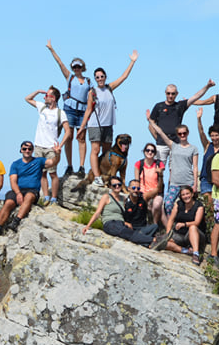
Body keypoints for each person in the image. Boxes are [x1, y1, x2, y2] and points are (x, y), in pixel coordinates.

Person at [84, 51, 138, 181]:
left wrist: (132, 62)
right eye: (97, 77)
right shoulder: (93, 92)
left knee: (107, 153)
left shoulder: (109, 88)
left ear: (105, 77)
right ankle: (96, 176)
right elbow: (88, 110)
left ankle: (105, 175)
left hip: (108, 125)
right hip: (95, 125)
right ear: (95, 79)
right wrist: (82, 127)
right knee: (95, 150)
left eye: (102, 76)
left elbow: (123, 77)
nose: (100, 79)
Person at [46, 41, 93, 177]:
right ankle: (69, 165)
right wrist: (51, 49)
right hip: (70, 109)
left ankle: (82, 166)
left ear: (82, 67)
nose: (77, 69)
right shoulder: (70, 77)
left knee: (82, 138)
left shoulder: (89, 81)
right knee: (69, 136)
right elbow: (60, 63)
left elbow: (92, 97)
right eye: (75, 67)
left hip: (83, 110)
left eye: (79, 66)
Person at [148, 107, 204, 219]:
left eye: (184, 133)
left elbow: (195, 167)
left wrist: (195, 185)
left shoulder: (193, 149)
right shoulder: (173, 146)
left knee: (188, 206)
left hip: (187, 182)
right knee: (168, 204)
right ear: (177, 135)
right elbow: (161, 133)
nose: (182, 135)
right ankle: (171, 225)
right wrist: (150, 121)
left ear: (187, 133)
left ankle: (186, 226)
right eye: (180, 134)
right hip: (174, 182)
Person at [81, 175, 157, 246]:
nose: (117, 186)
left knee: (132, 232)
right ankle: (154, 240)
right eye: (114, 185)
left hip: (121, 224)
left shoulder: (123, 199)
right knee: (128, 233)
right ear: (110, 187)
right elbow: (97, 213)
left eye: (119, 184)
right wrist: (88, 226)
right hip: (111, 223)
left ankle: (147, 244)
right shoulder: (106, 197)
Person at [24, 88, 66, 200]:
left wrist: (60, 145)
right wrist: (37, 91)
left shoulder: (60, 113)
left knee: (52, 173)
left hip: (51, 147)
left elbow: (68, 131)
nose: (44, 97)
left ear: (53, 98)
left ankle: (54, 197)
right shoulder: (42, 107)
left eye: (47, 95)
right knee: (42, 173)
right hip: (39, 145)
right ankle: (46, 196)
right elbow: (27, 98)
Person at [5, 141, 45, 229]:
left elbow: (52, 162)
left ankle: (16, 221)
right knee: (8, 203)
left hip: (32, 190)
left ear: (32, 150)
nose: (27, 151)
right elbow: (13, 181)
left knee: (29, 196)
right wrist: (18, 194)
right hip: (18, 190)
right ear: (21, 150)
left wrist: (57, 155)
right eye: (24, 149)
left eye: (29, 149)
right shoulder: (15, 164)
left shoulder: (39, 161)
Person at [164, 185, 207, 263]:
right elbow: (171, 219)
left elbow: (197, 222)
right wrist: (168, 234)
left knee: (192, 227)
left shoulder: (199, 205)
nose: (185, 196)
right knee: (162, 242)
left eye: (187, 194)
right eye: (183, 195)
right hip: (180, 235)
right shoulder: (178, 204)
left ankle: (195, 254)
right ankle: (185, 250)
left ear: (192, 194)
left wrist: (184, 224)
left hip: (195, 234)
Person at [135, 143, 166, 222]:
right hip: (143, 192)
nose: (150, 152)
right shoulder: (139, 164)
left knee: (156, 205)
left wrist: (160, 173)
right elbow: (136, 181)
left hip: (156, 191)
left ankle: (155, 225)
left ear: (155, 153)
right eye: (147, 150)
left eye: (152, 151)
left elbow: (160, 182)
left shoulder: (159, 164)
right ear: (144, 152)